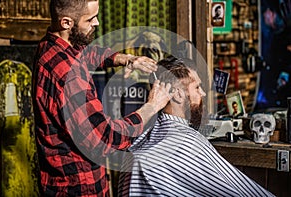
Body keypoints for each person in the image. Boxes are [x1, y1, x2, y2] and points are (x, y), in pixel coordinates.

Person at [32, 0, 173, 196]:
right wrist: (152, 106)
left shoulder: (52, 46)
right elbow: (106, 141)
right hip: (79, 188)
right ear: (66, 23)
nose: (97, 23)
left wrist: (127, 59)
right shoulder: (68, 76)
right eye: (90, 19)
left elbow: (87, 54)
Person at [118, 57, 274, 197]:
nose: (203, 94)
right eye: (197, 87)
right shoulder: (187, 142)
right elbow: (243, 192)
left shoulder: (139, 140)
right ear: (177, 94)